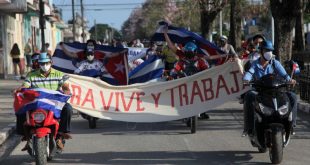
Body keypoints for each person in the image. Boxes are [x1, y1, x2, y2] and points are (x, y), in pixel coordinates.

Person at [15, 52, 73, 150]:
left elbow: (65, 86)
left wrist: (66, 91)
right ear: (38, 64)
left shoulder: (60, 75)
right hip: (37, 102)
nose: (44, 65)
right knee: (20, 110)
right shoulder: (31, 75)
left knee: (68, 108)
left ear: (51, 62)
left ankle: (61, 134)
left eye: (46, 63)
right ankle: (26, 136)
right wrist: (18, 90)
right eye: (42, 63)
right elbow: (25, 86)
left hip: (54, 102)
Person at [242, 40, 297, 136]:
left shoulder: (275, 63)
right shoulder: (255, 64)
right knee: (249, 95)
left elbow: (284, 75)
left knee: (293, 96)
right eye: (267, 50)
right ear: (261, 52)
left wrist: (290, 80)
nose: (269, 52)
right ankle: (249, 128)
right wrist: (246, 80)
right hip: (260, 91)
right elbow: (249, 73)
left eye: (270, 50)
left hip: (276, 91)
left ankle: (291, 125)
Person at [163, 27, 210, 119]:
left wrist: (207, 72)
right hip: (184, 81)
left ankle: (203, 111)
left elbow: (207, 68)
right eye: (187, 52)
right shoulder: (182, 59)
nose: (189, 54)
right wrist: (171, 74)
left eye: (191, 52)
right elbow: (175, 68)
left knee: (205, 94)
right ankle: (179, 109)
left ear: (195, 51)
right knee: (177, 93)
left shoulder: (200, 59)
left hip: (198, 81)